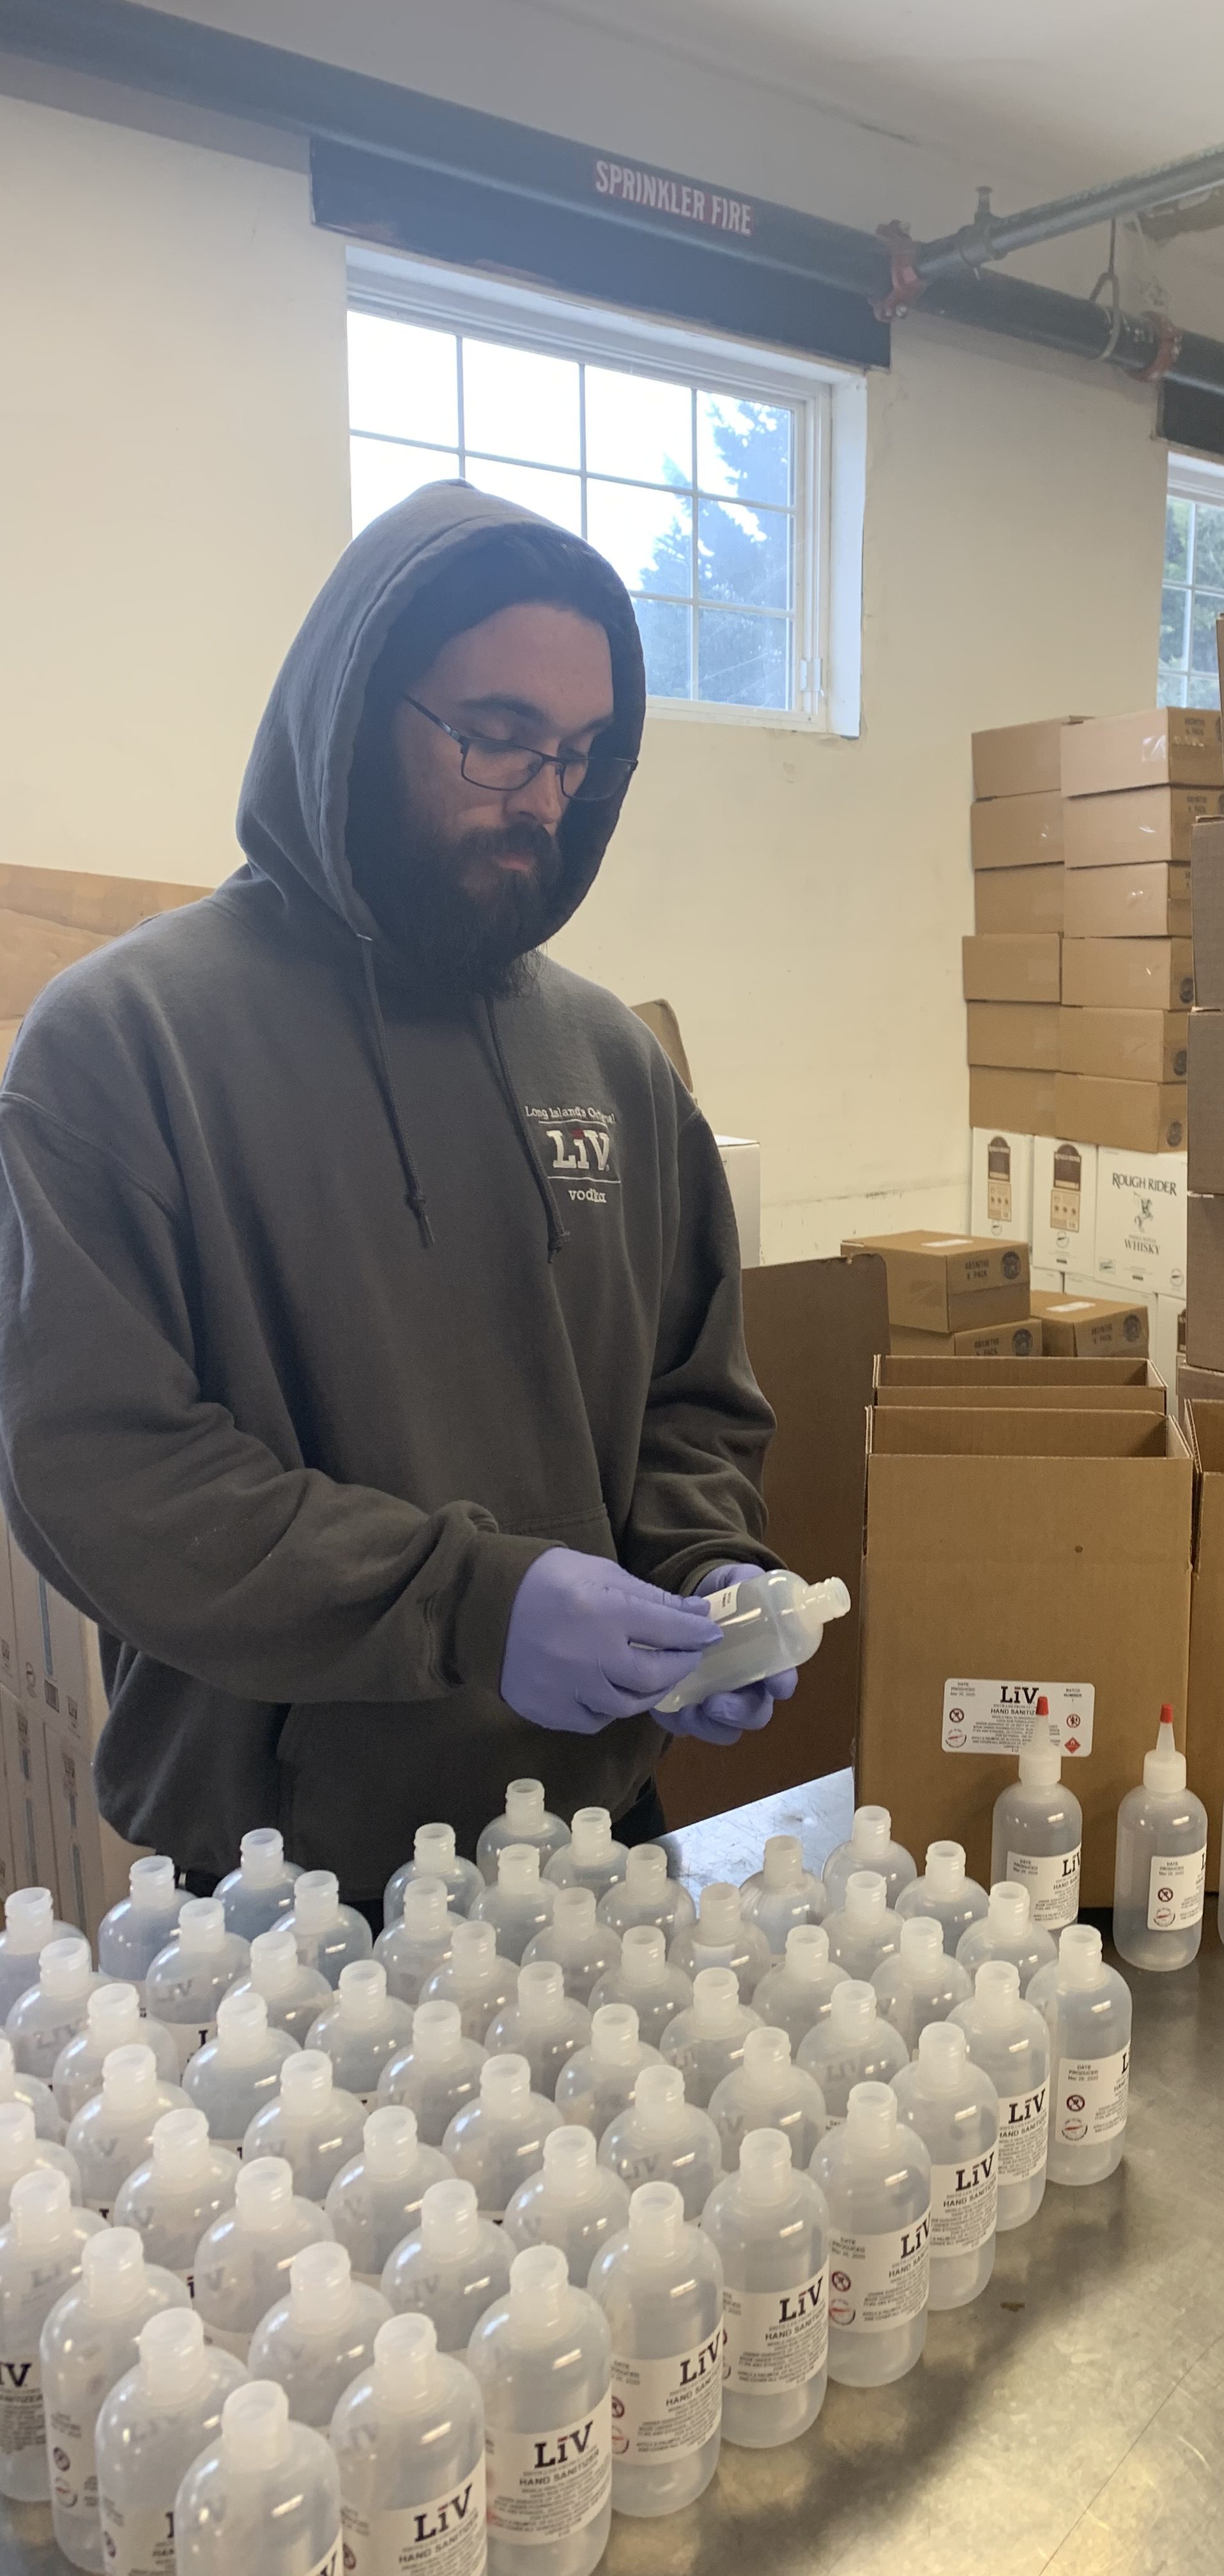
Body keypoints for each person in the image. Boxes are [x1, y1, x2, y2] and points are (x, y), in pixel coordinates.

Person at [0, 482, 793, 1906]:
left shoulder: (613, 1062)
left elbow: (693, 1398)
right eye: (496, 737)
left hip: (597, 1845)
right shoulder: (129, 1044)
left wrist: (707, 1573)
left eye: (580, 756)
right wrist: (468, 1606)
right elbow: (105, 1470)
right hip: (282, 1894)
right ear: (356, 711)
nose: (541, 797)